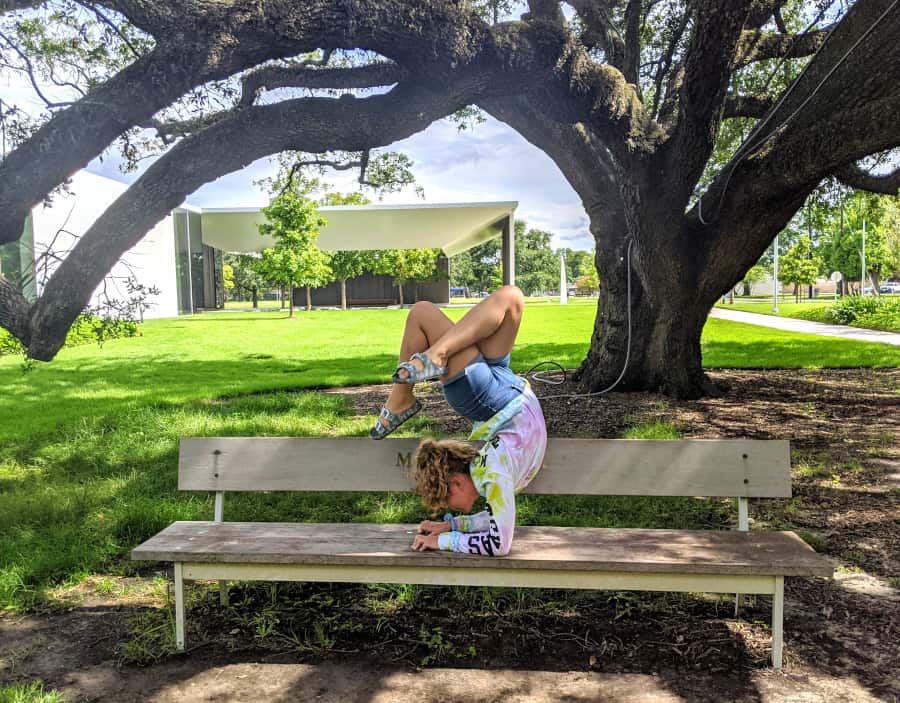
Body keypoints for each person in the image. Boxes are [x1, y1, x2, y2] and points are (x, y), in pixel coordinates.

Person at [370, 285, 547, 556]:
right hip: (504, 392)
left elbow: (497, 541)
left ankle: (405, 393)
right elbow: (498, 528)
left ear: (457, 482)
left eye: (448, 502)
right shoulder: (491, 474)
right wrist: (452, 526)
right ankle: (408, 388)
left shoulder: (490, 473)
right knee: (510, 299)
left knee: (424, 313)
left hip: (488, 397)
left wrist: (444, 537)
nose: (452, 507)